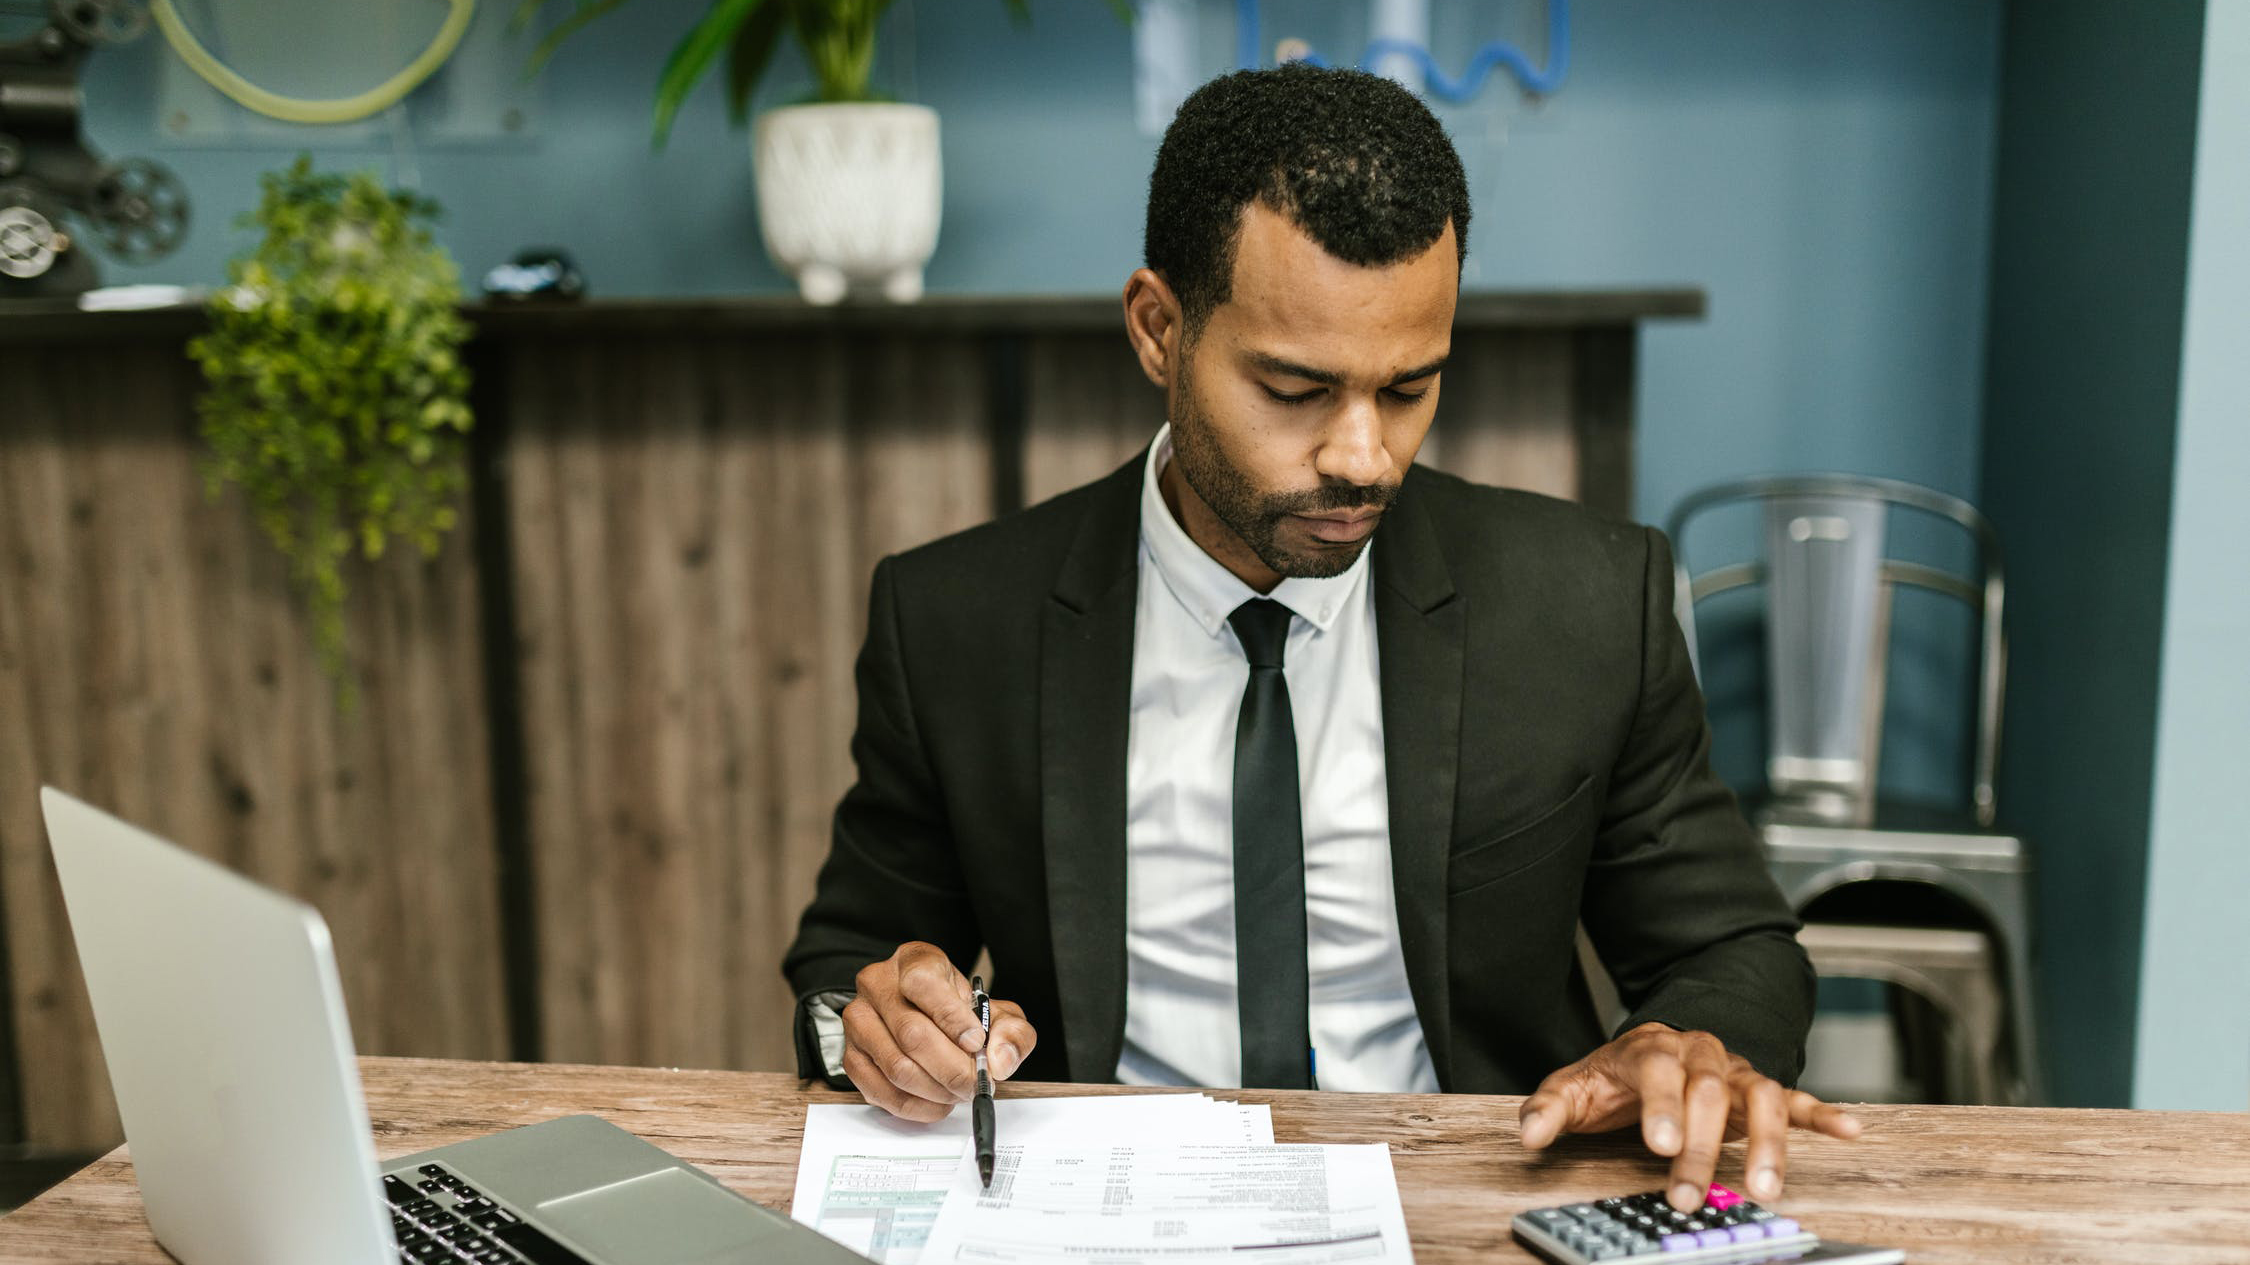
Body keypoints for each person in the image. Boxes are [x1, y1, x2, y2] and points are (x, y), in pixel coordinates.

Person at [784, 62, 1859, 1214]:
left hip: (1474, 1202)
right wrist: (876, 1025)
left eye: (1409, 387)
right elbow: (848, 964)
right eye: (1295, 388)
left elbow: (1738, 948)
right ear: (1160, 329)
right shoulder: (957, 618)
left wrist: (1687, 1038)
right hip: (1097, 1212)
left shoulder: (1591, 603)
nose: (1362, 455)